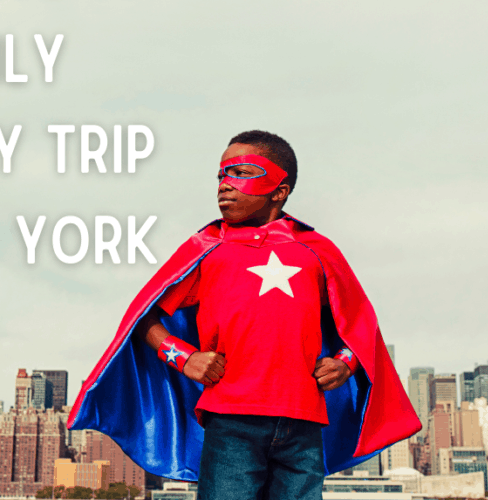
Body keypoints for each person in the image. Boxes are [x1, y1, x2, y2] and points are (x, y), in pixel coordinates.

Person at [67, 130, 421, 500]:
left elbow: (358, 320)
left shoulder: (315, 250)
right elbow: (143, 315)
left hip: (304, 421)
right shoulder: (207, 248)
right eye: (221, 175)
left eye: (242, 172)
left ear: (279, 190)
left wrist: (345, 363)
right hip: (230, 420)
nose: (224, 185)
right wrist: (182, 356)